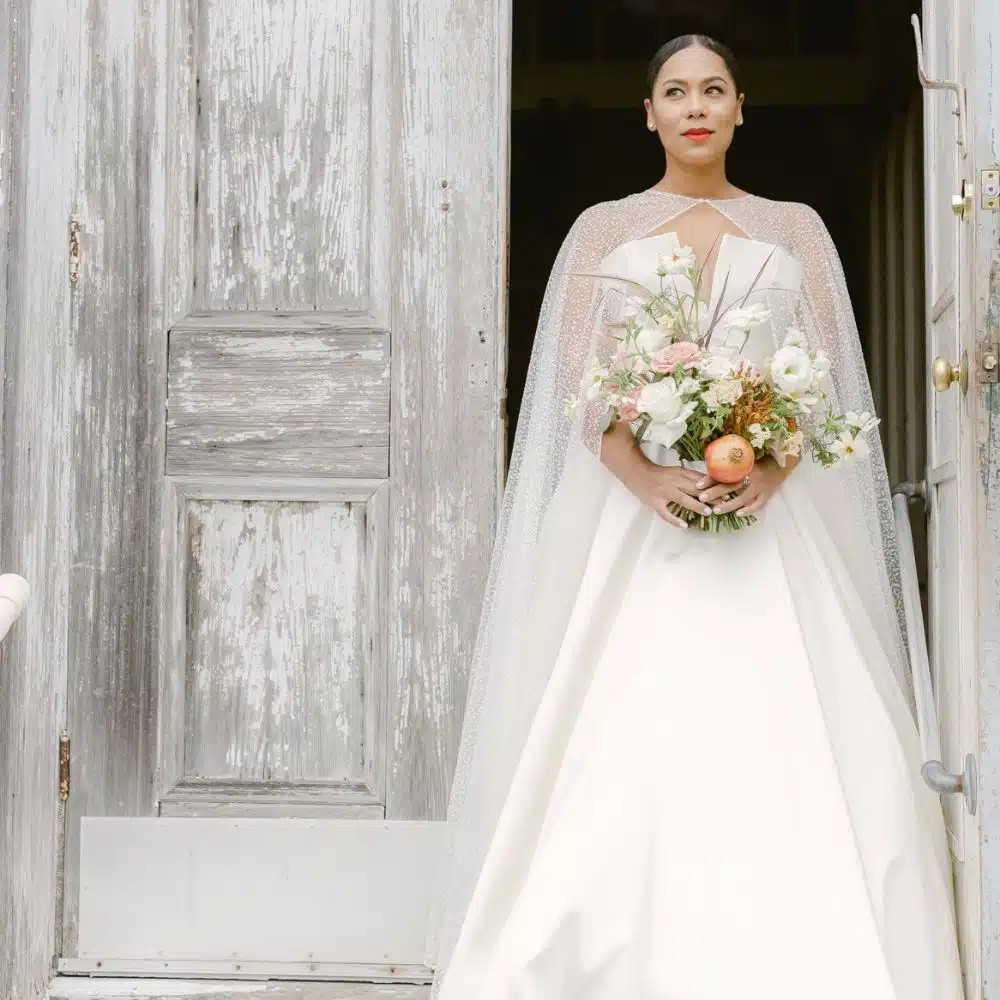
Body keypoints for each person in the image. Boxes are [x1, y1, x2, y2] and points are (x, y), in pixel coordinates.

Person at [426, 33, 966, 1000]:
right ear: (649, 114)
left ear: (742, 106)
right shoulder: (604, 229)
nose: (695, 106)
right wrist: (646, 481)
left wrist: (773, 470)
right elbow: (573, 388)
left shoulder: (793, 227)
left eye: (713, 89)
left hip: (771, 519)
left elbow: (829, 383)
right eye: (675, 91)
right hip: (642, 520)